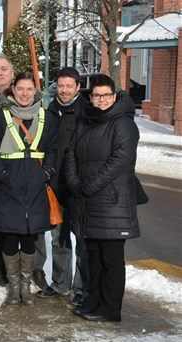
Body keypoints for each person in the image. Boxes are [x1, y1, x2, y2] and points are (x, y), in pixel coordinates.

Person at [66, 74, 140, 322]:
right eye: (96, 95)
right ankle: (94, 301)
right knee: (94, 257)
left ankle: (110, 309)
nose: (101, 100)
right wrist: (75, 182)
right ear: (90, 97)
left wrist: (88, 186)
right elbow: (71, 155)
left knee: (111, 260)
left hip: (111, 204)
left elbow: (120, 161)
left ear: (114, 96)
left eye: (106, 95)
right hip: (88, 202)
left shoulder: (124, 124)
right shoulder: (85, 121)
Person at [0, 55, 48, 290]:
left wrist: (43, 174)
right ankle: (2, 271)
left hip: (29, 178)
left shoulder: (33, 104)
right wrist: (1, 175)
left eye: (4, 69)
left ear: (12, 75)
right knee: (1, 225)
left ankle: (35, 269)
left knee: (31, 226)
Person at [0, 72, 58, 305]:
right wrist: (4, 176)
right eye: (20, 89)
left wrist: (45, 173)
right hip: (7, 188)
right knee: (10, 235)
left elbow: (54, 150)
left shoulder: (46, 117)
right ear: (12, 91)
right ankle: (13, 285)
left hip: (35, 188)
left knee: (29, 237)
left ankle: (25, 284)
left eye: (29, 89)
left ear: (34, 92)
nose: (25, 94)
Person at [37, 67, 90, 306]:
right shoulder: (49, 112)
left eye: (69, 86)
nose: (65, 90)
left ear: (78, 87)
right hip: (55, 186)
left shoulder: (86, 113)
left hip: (78, 188)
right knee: (59, 240)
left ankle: (81, 288)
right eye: (61, 85)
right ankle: (60, 284)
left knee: (81, 241)